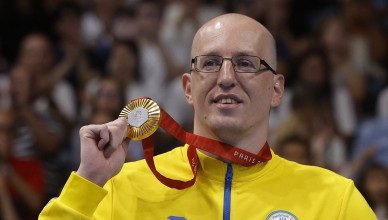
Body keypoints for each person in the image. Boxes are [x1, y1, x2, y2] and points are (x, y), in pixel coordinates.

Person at [39, 13, 376, 219]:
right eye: (210, 63)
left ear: (276, 89)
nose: (226, 77)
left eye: (246, 63)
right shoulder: (121, 188)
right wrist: (87, 182)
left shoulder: (334, 200)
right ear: (188, 87)